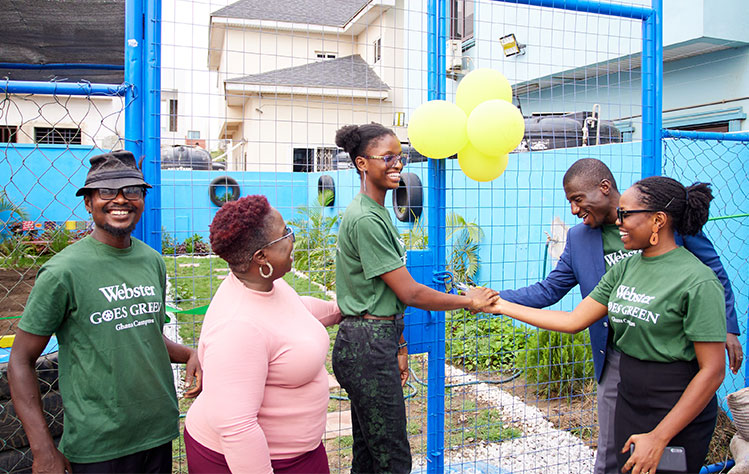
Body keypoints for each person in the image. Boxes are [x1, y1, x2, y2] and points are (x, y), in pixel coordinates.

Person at [498, 158, 741, 474]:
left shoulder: (691, 269)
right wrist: (495, 301)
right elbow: (563, 308)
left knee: (668, 463)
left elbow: (711, 364)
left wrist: (726, 327)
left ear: (658, 221)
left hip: (672, 372)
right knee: (617, 456)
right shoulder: (614, 260)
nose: (619, 223)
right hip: (620, 363)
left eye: (577, 199)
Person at [8, 150, 202, 473]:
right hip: (98, 448)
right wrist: (43, 450)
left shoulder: (152, 261)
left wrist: (189, 353)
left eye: (133, 190)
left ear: (143, 199)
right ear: (88, 202)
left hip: (157, 435)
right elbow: (19, 361)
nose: (121, 200)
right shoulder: (62, 272)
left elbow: (145, 334)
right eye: (107, 191)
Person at [332, 123, 498, 473]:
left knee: (369, 453)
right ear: (362, 163)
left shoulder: (378, 214)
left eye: (401, 156)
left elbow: (384, 295)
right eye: (388, 157)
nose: (398, 164)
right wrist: (469, 300)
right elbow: (409, 291)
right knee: (393, 459)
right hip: (366, 346)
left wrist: (401, 346)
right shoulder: (365, 219)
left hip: (376, 340)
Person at [184, 195, 341, 474]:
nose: (292, 238)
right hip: (248, 461)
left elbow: (294, 311)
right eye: (285, 234)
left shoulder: (265, 284)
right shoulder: (238, 328)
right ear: (261, 257)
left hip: (298, 454)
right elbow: (237, 429)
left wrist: (339, 309)